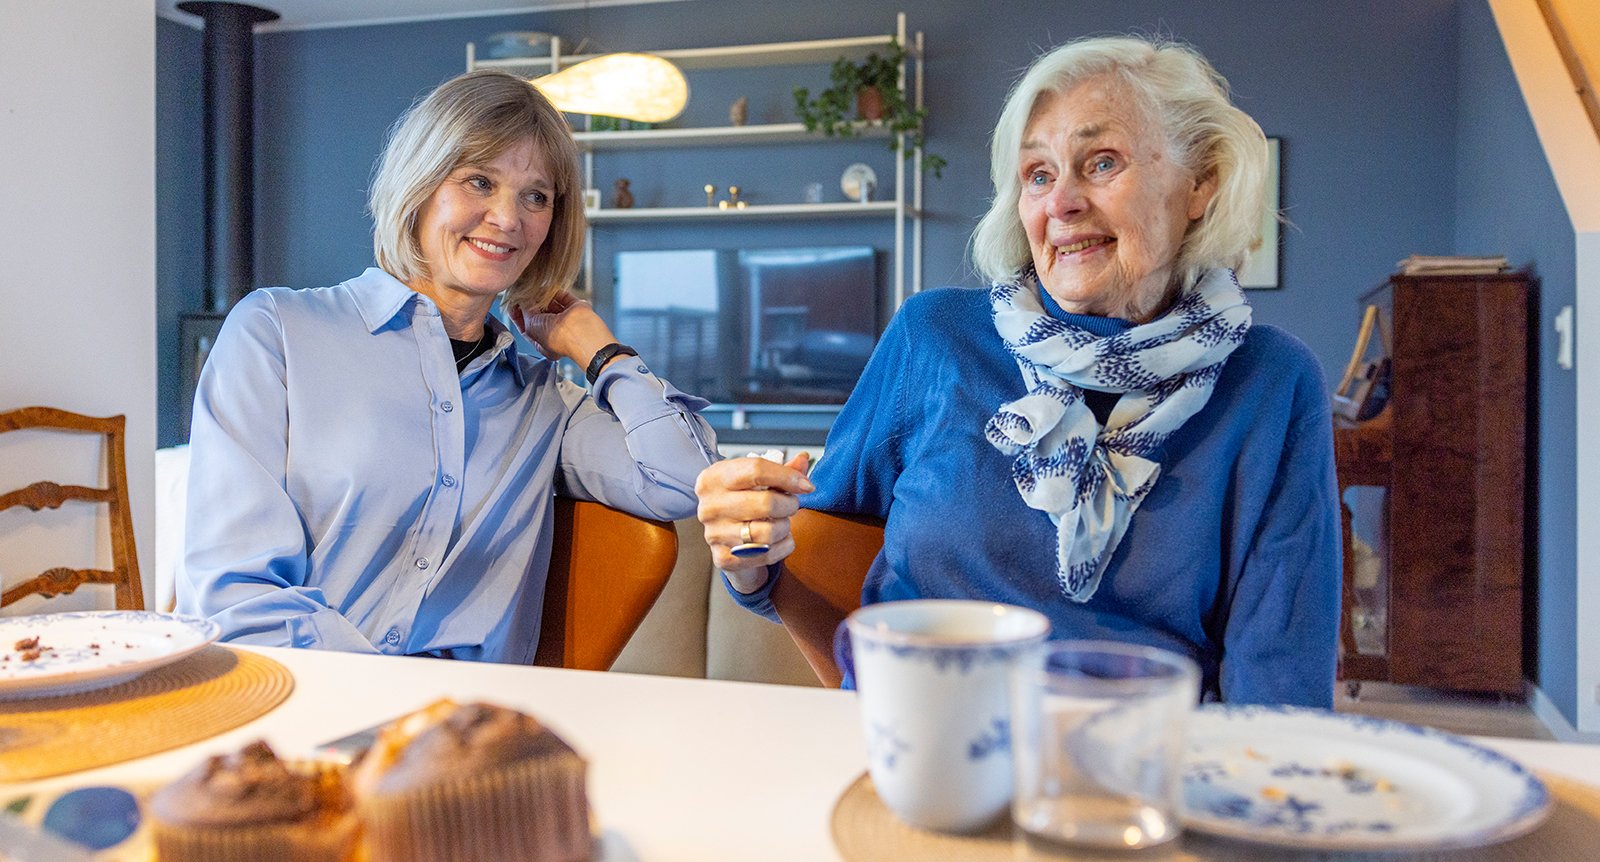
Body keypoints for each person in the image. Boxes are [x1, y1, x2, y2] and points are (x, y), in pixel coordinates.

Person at [696, 36, 1339, 706]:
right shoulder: (934, 336)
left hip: (1134, 750)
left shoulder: (1271, 381)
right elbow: (804, 549)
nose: (1061, 202)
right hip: (925, 728)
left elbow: (1280, 681)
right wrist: (746, 542)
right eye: (1037, 174)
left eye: (1101, 162)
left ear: (1200, 182)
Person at [180, 70, 716, 661]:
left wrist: (600, 350)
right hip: (302, 694)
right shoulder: (276, 331)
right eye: (479, 181)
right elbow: (237, 596)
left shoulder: (545, 403)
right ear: (420, 185)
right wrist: (390, 700)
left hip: (474, 716)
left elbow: (685, 479)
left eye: (536, 196)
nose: (508, 218)